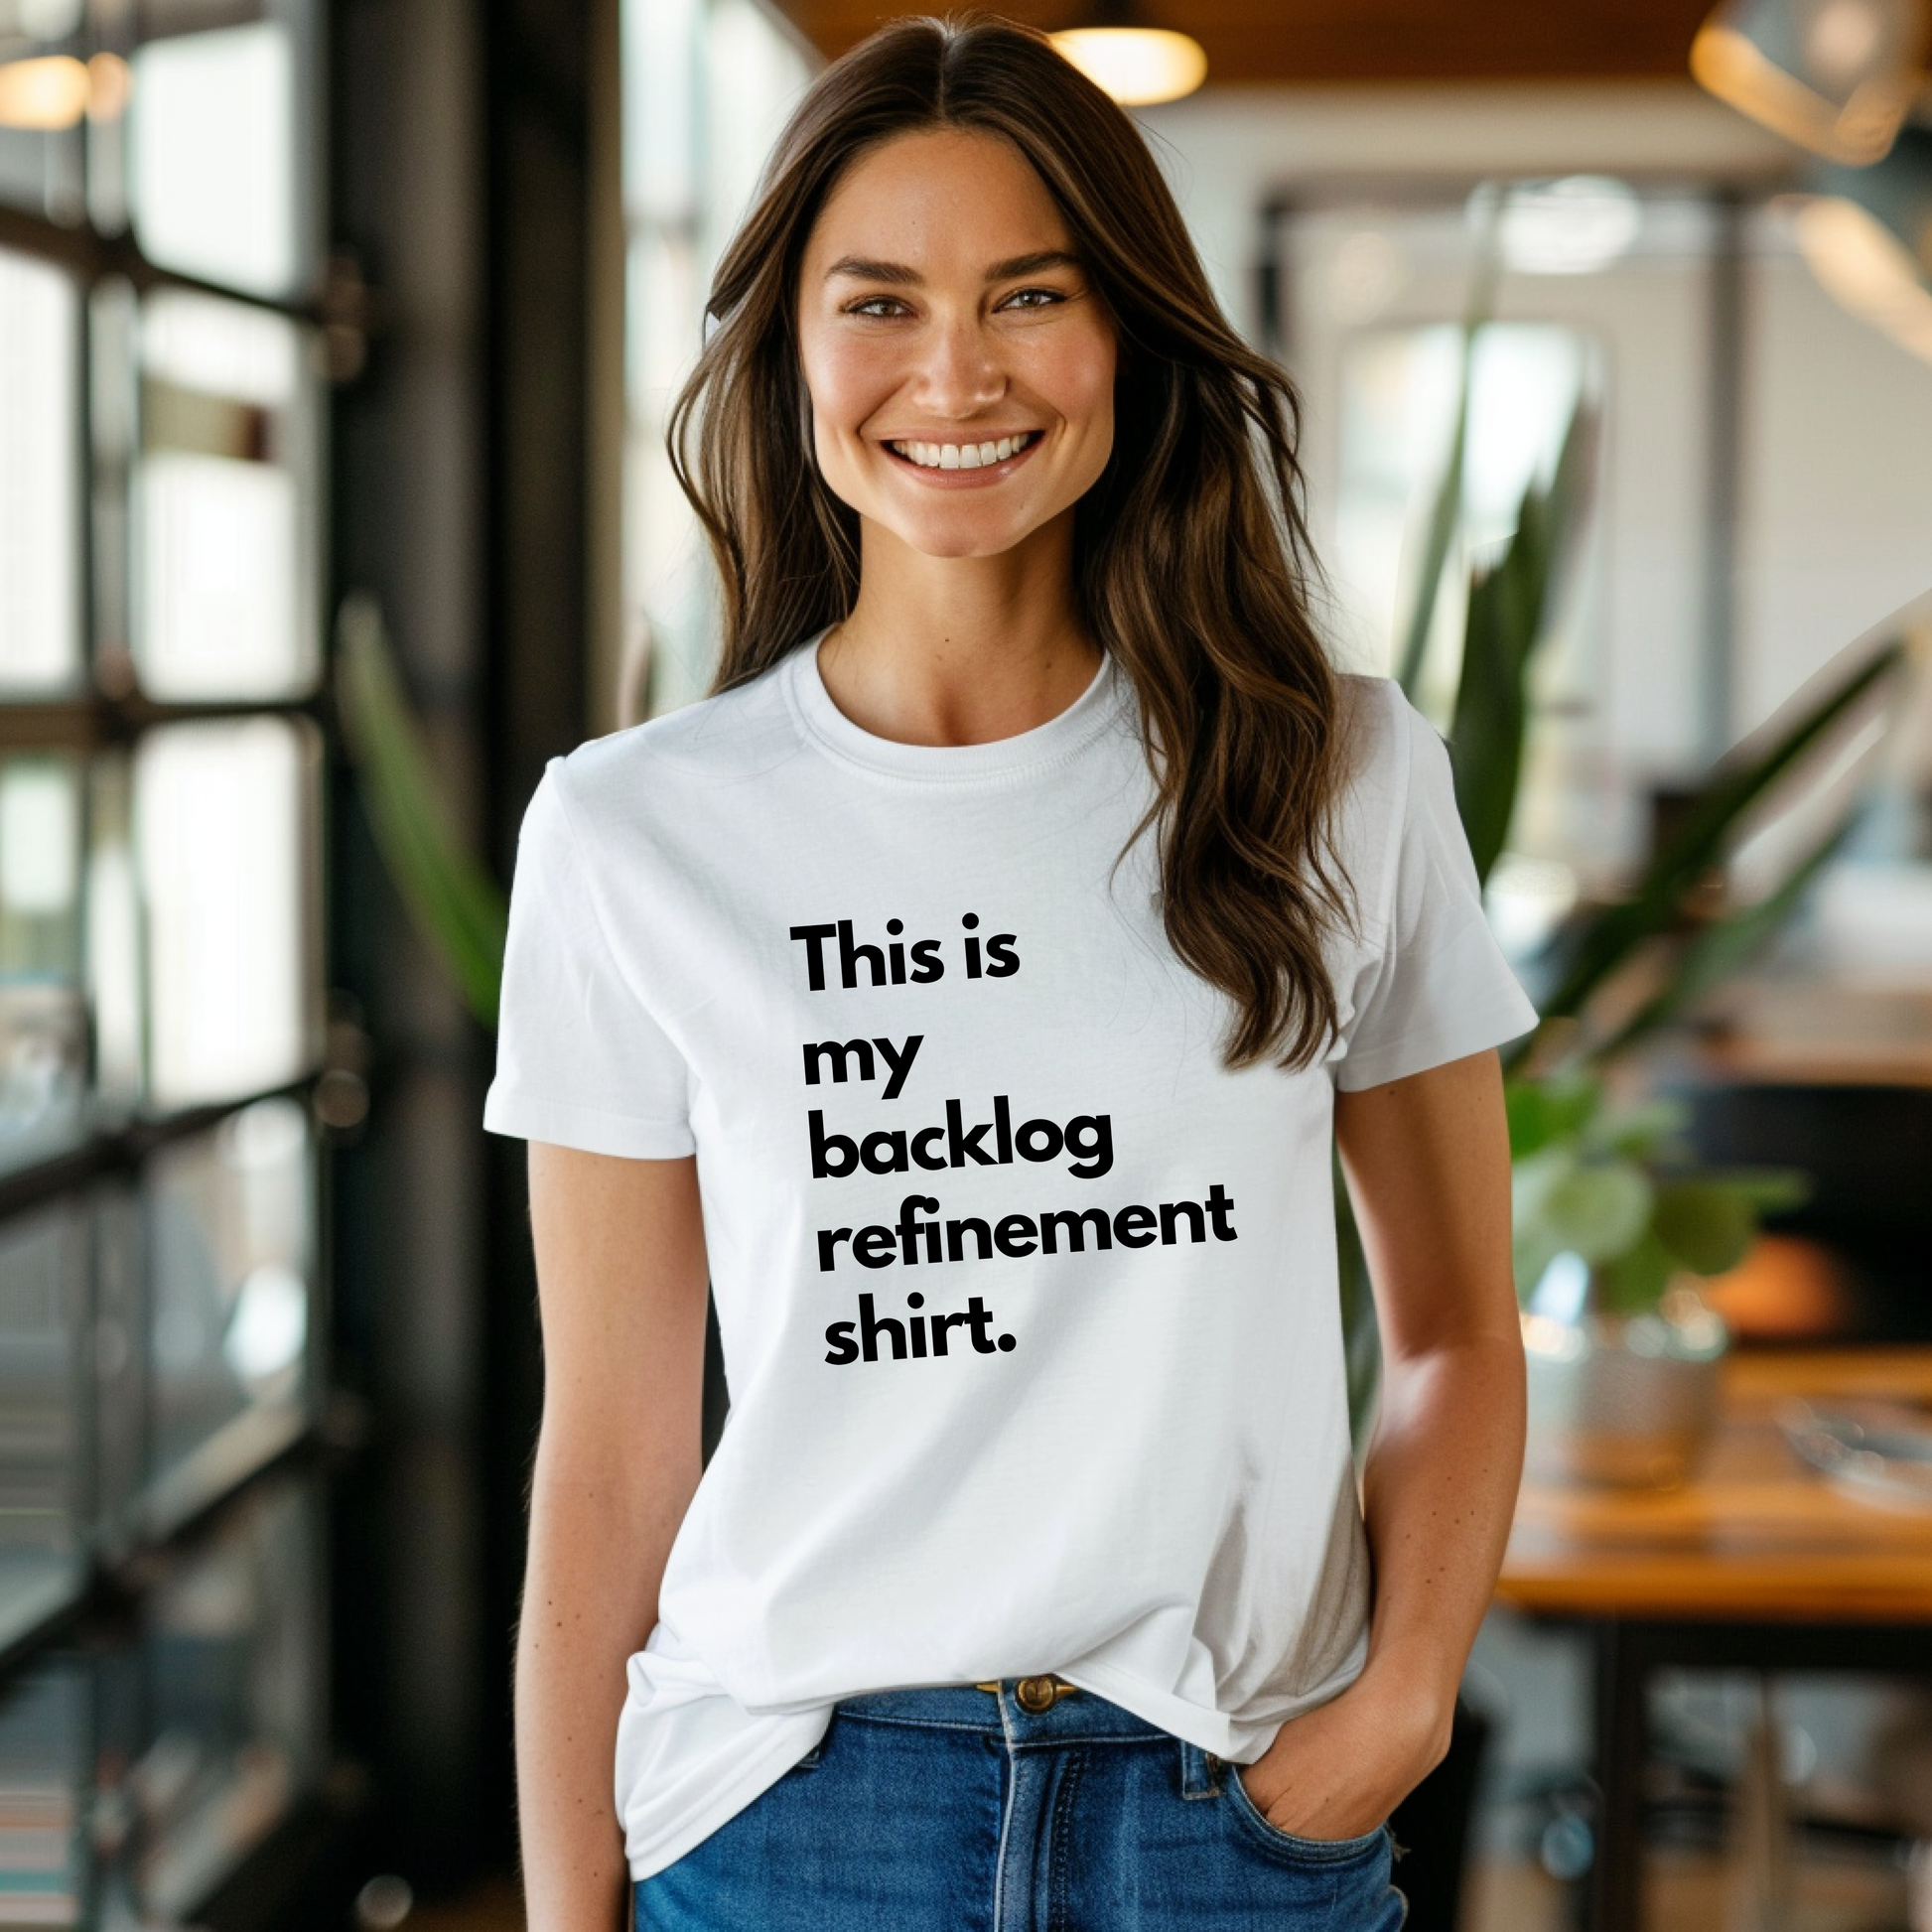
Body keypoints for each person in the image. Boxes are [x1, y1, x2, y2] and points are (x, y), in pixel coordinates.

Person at [486, 16, 1535, 1930]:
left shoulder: (1341, 774)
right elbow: (614, 1450)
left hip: (1228, 1808)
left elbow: (1458, 1329)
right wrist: (568, 1909)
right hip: (789, 1809)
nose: (952, 373)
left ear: (1125, 331)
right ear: (790, 349)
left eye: (1026, 295)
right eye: (876, 302)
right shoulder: (632, 832)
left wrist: (1398, 1704)